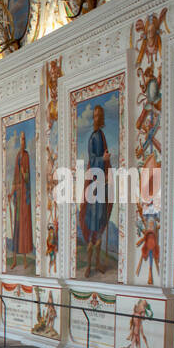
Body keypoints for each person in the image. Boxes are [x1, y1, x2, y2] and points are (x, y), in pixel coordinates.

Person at [80, 103, 112, 276]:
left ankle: (98, 263)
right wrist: (103, 158)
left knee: (100, 223)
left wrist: (107, 173)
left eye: (99, 115)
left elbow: (105, 161)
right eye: (95, 115)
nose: (97, 118)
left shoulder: (102, 135)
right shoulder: (93, 137)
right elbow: (92, 159)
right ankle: (89, 265)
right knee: (92, 224)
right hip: (93, 184)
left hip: (101, 184)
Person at [10, 131, 34, 266]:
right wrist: (11, 192)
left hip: (24, 196)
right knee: (17, 226)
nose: (23, 142)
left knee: (24, 227)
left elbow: (27, 177)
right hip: (18, 196)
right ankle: (14, 259)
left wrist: (25, 175)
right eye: (21, 140)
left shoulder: (26, 156)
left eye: (24, 140)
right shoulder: (18, 156)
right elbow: (14, 177)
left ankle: (24, 259)